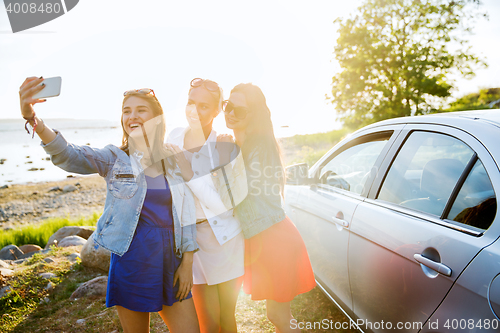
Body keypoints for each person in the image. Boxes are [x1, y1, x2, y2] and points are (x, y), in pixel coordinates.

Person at [18, 76, 200, 333]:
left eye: (140, 110)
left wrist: (188, 261)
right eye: (126, 111)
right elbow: (70, 155)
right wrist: (33, 120)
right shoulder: (116, 158)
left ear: (157, 118)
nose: (131, 116)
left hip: (172, 258)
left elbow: (187, 210)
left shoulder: (172, 158)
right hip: (132, 257)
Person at [213, 83, 316, 333]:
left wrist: (225, 156)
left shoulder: (258, 149)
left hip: (274, 238)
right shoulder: (243, 145)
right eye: (228, 106)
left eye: (239, 109)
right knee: (277, 316)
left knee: (280, 317)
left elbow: (233, 196)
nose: (230, 113)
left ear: (254, 114)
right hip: (266, 237)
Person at [166, 78, 244, 333]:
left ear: (217, 110)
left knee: (226, 320)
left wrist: (188, 171)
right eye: (191, 102)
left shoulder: (223, 145)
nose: (195, 111)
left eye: (203, 106)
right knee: (207, 322)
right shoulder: (174, 137)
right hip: (192, 241)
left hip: (225, 239)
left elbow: (223, 205)